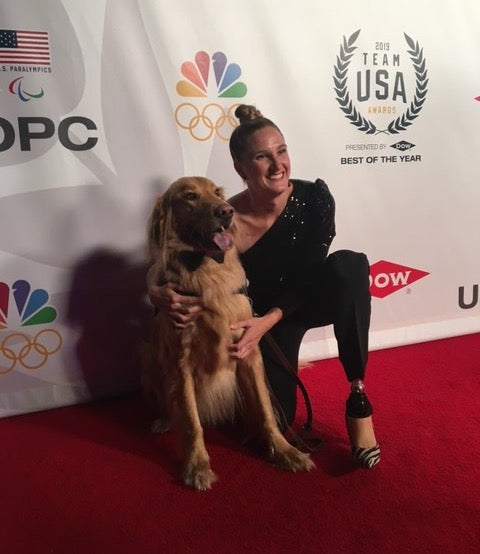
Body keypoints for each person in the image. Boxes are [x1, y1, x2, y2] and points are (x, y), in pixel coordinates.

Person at [147, 104, 380, 469]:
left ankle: (359, 397)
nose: (277, 165)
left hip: (295, 306)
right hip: (253, 325)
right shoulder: (223, 217)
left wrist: (265, 322)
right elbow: (178, 263)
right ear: (241, 169)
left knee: (350, 265)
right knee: (277, 418)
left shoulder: (314, 198)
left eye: (281, 151)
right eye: (262, 156)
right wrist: (154, 289)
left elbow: (309, 275)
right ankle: (280, 368)